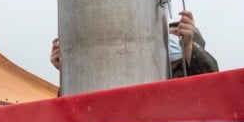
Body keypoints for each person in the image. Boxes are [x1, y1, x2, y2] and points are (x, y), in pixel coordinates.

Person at [49, 10, 219, 78]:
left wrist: (188, 47)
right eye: (167, 35)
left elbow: (213, 84)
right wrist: (68, 73)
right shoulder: (143, 72)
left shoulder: (190, 76)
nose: (171, 41)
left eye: (178, 36)